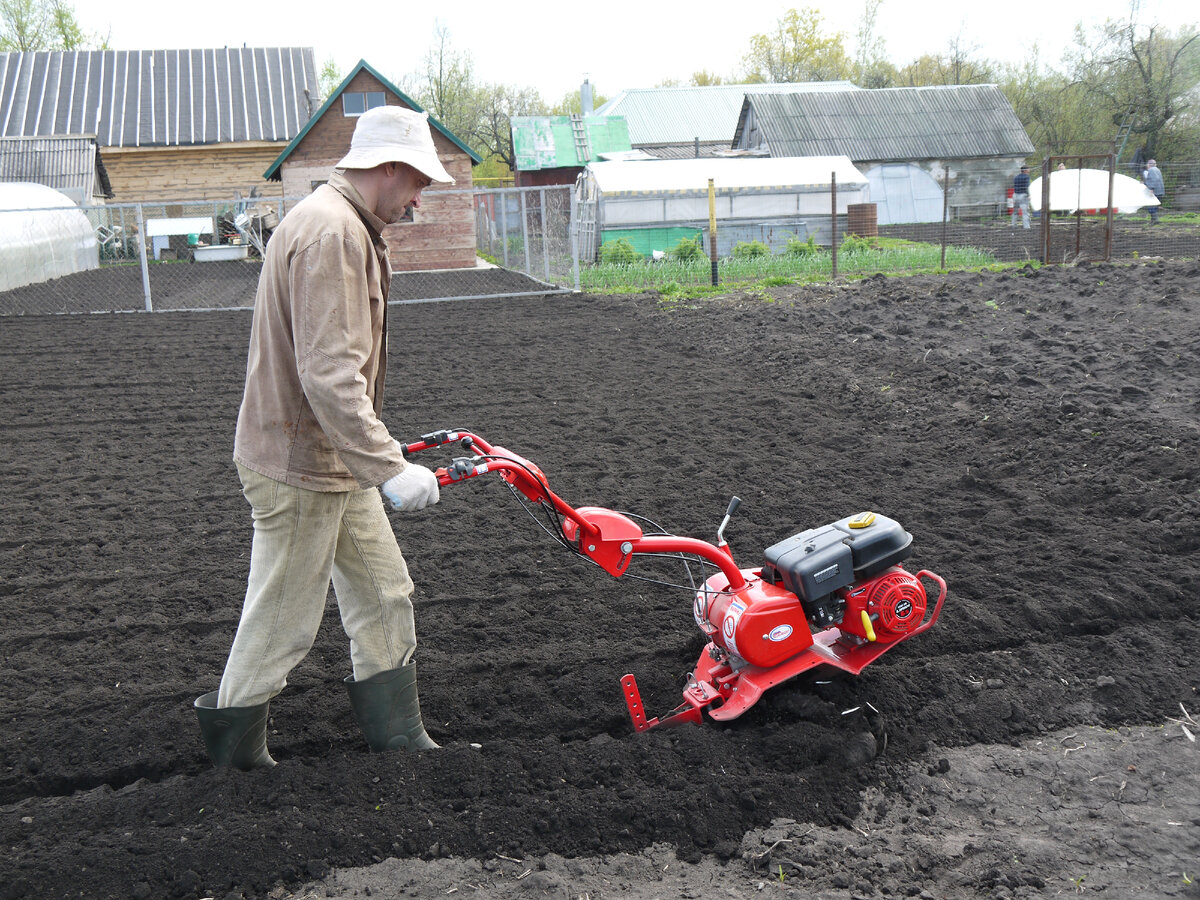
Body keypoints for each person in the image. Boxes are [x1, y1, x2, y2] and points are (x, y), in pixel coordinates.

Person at [193, 105, 454, 770]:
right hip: (298, 464)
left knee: (384, 591)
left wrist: (372, 462)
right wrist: (389, 467)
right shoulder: (331, 232)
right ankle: (236, 763)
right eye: (420, 179)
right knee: (282, 620)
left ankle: (398, 738)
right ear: (388, 167)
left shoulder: (342, 224)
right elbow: (330, 373)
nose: (421, 197)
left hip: (332, 461)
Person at [1143, 158, 1165, 224]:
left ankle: (1155, 220)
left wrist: (1151, 189)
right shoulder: (1157, 170)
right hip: (1160, 190)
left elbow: (1153, 179)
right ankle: (1153, 220)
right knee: (1154, 206)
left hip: (1155, 191)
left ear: (1149, 164)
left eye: (1147, 164)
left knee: (1151, 206)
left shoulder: (1151, 170)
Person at [1011, 165, 1031, 229]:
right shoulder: (1026, 177)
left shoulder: (1016, 177)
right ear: (1025, 170)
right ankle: (1026, 226)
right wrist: (1029, 195)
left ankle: (1013, 224)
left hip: (1015, 195)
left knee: (1015, 211)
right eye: (1028, 169)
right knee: (1025, 212)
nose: (1029, 170)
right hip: (1023, 196)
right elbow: (1027, 186)